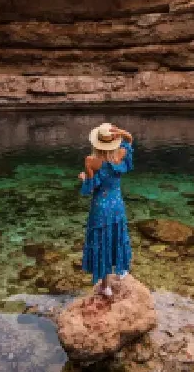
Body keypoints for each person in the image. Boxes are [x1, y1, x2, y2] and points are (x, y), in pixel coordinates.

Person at [77, 122, 134, 297]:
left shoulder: (91, 161)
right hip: (116, 205)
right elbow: (129, 140)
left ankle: (105, 286)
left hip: (100, 208)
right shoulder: (120, 155)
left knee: (102, 244)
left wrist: (84, 178)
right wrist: (121, 132)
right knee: (117, 237)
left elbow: (91, 187)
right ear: (113, 141)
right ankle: (121, 270)